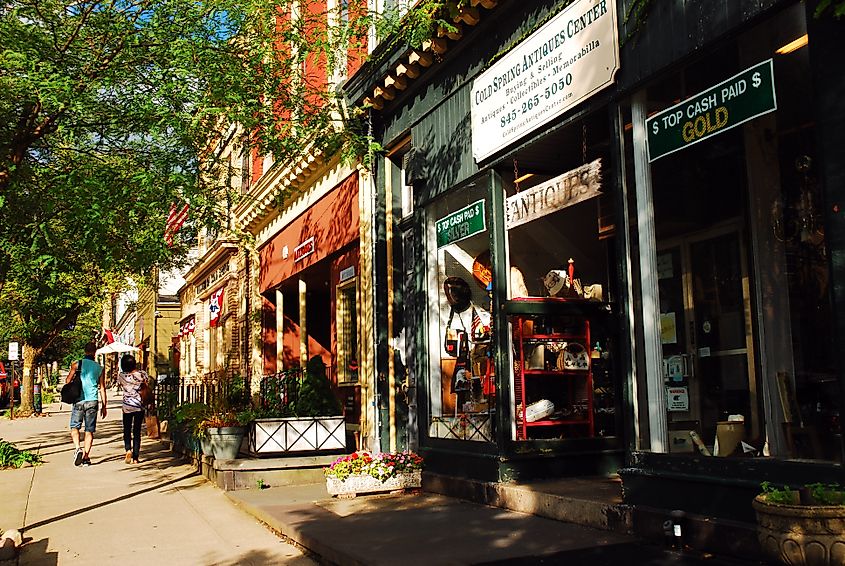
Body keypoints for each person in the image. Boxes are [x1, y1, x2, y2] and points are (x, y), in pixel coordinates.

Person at [66, 342, 107, 467]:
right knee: (89, 430)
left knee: (75, 427)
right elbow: (102, 388)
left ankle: (77, 447)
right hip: (92, 401)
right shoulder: (99, 368)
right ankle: (86, 456)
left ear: (84, 351)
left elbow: (68, 381)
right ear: (95, 352)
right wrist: (104, 406)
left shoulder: (76, 364)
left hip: (79, 400)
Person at [117, 354, 148, 464]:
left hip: (127, 406)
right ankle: (135, 457)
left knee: (127, 430)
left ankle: (128, 449)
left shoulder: (121, 375)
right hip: (139, 406)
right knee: (137, 431)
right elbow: (146, 386)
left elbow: (121, 385)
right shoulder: (142, 374)